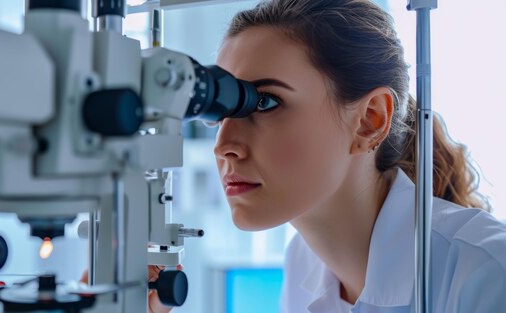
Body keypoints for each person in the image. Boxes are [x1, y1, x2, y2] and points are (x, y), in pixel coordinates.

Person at [209, 0, 506, 312]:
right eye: (220, 110)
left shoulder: (488, 274)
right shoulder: (303, 261)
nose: (224, 145)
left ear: (369, 122)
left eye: (264, 102)